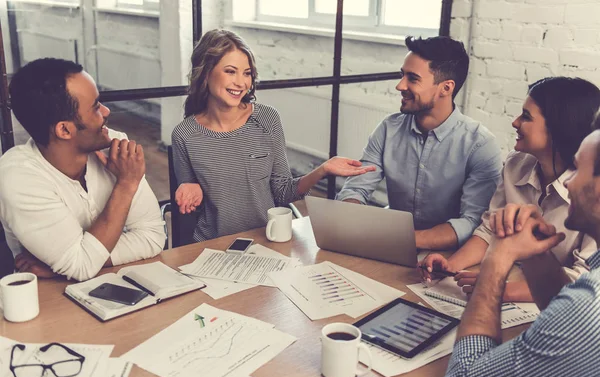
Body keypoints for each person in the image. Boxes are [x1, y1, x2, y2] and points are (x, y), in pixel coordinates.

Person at [443, 119, 600, 377]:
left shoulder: (590, 308)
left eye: (577, 170)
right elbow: (562, 307)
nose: (569, 182)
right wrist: (533, 252)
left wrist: (496, 262)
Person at [172, 29, 375, 242]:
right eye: (231, 71)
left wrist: (322, 170)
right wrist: (189, 188)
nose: (241, 83)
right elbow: (190, 204)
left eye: (247, 73)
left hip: (266, 241)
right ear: (205, 73)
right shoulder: (184, 135)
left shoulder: (267, 119)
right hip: (212, 245)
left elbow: (283, 193)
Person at [420, 77, 600, 301]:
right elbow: (489, 231)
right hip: (512, 277)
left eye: (526, 117)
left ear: (558, 129)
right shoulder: (516, 164)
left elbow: (584, 281)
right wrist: (450, 265)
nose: (515, 122)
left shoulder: (591, 192)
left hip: (558, 303)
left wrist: (497, 290)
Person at [0, 58, 166, 281]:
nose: (106, 111)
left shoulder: (114, 146)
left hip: (121, 284)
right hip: (50, 304)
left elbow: (153, 237)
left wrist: (66, 266)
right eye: (96, 107)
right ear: (65, 130)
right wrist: (126, 184)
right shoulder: (17, 177)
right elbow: (81, 265)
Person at [336, 36, 502, 250]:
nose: (399, 85)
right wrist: (351, 217)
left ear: (446, 88)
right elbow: (356, 189)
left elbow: (471, 222)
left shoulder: (480, 145)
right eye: (401, 75)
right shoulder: (388, 129)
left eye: (412, 79)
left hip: (451, 255)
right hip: (393, 243)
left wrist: (399, 239)